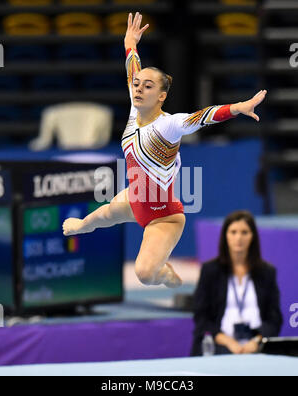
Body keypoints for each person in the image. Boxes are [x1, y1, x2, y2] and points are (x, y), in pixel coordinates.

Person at [62, 13, 267, 289]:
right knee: (100, 217)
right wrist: (130, 44)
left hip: (164, 215)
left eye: (148, 86)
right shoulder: (135, 111)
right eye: (137, 86)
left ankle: (164, 272)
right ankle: (82, 225)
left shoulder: (168, 125)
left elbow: (202, 116)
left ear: (161, 96)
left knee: (145, 273)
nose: (138, 88)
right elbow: (132, 72)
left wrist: (237, 108)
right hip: (136, 198)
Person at [191, 210, 283, 356]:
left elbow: (275, 318)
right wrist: (228, 341)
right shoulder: (210, 271)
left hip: (256, 346)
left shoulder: (267, 272)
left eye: (244, 232)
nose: (238, 238)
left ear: (253, 236)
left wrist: (257, 341)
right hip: (220, 345)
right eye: (233, 232)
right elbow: (201, 316)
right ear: (225, 235)